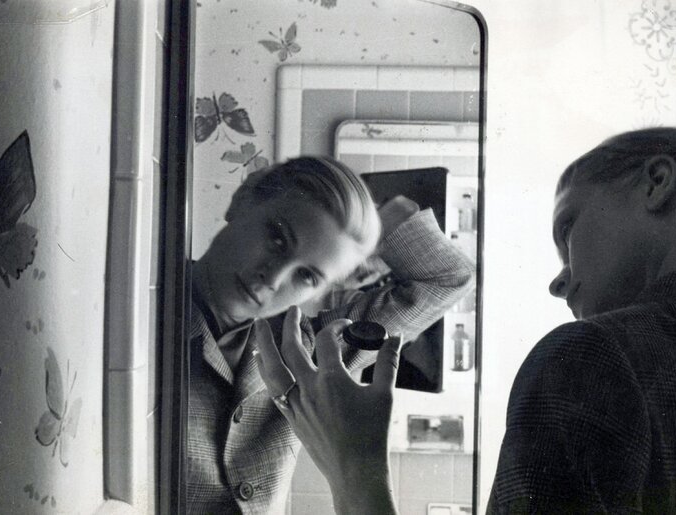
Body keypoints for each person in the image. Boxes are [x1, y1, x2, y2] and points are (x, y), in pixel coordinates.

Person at [256, 127, 676, 514]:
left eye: (567, 229)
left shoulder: (593, 358)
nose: (558, 283)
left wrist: (354, 467)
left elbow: (448, 277)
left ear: (657, 182)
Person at [187, 155, 475, 514]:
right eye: (277, 239)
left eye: (307, 276)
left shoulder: (309, 354)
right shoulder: (140, 304)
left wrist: (374, 233)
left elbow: (448, 278)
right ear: (242, 199)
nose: (273, 279)